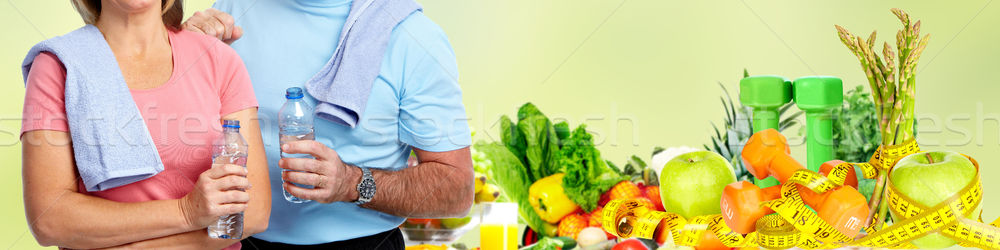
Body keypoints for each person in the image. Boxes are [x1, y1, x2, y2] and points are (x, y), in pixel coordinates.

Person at [183, 0, 475, 248]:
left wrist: (351, 182)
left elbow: (457, 188)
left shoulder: (410, 35)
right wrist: (179, 49)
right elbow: (178, 120)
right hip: (237, 241)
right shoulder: (233, 8)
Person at [20, 0, 270, 249]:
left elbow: (255, 212)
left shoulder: (219, 59)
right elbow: (49, 220)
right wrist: (185, 212)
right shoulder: (56, 67)